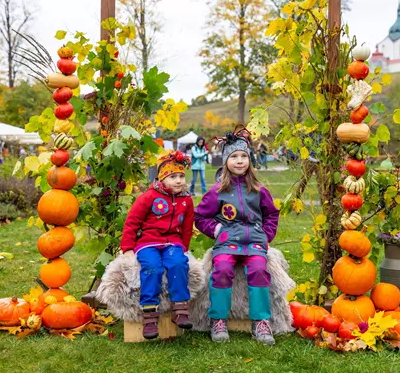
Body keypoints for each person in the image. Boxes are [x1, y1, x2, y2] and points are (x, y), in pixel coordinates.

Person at [194, 127, 280, 345]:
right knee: (221, 269)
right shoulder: (217, 191)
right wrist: (217, 230)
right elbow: (201, 216)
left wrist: (266, 235)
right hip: (227, 243)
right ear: (226, 161)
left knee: (260, 270)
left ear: (250, 160)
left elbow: (271, 214)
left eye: (244, 156)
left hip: (254, 243)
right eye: (234, 156)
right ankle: (218, 319)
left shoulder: (259, 190)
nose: (240, 161)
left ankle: (260, 322)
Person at [120, 150, 194, 339]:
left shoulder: (186, 200)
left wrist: (184, 247)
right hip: (148, 243)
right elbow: (132, 222)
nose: (178, 181)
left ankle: (180, 309)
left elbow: (187, 226)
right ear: (162, 179)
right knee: (152, 267)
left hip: (173, 243)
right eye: (172, 177)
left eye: (180, 176)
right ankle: (150, 316)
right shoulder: (149, 197)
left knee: (178, 263)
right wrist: (127, 248)